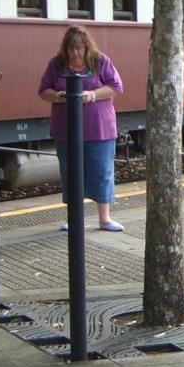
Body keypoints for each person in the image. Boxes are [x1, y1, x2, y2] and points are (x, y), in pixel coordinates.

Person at [38, 26, 125, 232]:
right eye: (71, 48)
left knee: (101, 171)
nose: (76, 53)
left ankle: (105, 218)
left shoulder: (100, 61)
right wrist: (59, 96)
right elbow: (43, 90)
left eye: (79, 48)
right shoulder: (56, 64)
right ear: (65, 49)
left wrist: (92, 95)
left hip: (99, 129)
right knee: (71, 173)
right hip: (66, 130)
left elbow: (116, 87)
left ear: (87, 48)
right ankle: (74, 218)